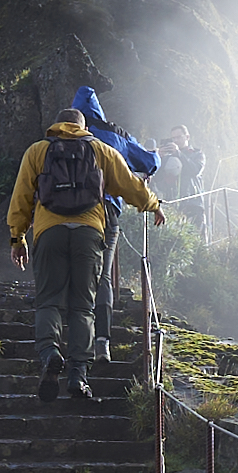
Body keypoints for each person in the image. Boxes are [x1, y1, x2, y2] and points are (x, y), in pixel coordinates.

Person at [7, 110, 163, 402]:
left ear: (56, 125)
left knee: (49, 300)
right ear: (84, 127)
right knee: (82, 307)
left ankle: (50, 353)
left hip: (49, 232)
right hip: (89, 232)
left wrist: (18, 237)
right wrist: (153, 205)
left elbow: (22, 197)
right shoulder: (101, 150)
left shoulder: (38, 151)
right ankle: (78, 376)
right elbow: (130, 185)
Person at [71, 84, 160, 365]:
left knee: (68, 274)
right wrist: (155, 159)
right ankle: (101, 342)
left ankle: (65, 342)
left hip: (61, 215)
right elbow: (148, 161)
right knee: (102, 277)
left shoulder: (60, 136)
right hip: (105, 212)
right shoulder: (115, 135)